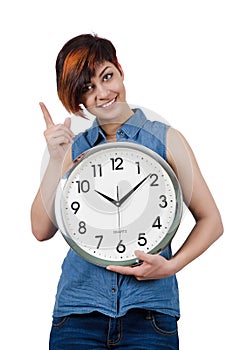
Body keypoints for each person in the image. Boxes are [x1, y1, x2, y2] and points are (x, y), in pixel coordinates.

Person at [31, 33, 223, 350]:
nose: (103, 93)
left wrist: (171, 266)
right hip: (78, 315)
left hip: (149, 315)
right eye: (87, 88)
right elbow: (40, 229)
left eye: (107, 77)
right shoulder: (72, 148)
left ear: (120, 69)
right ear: (78, 96)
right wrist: (55, 159)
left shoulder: (167, 140)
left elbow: (211, 221)